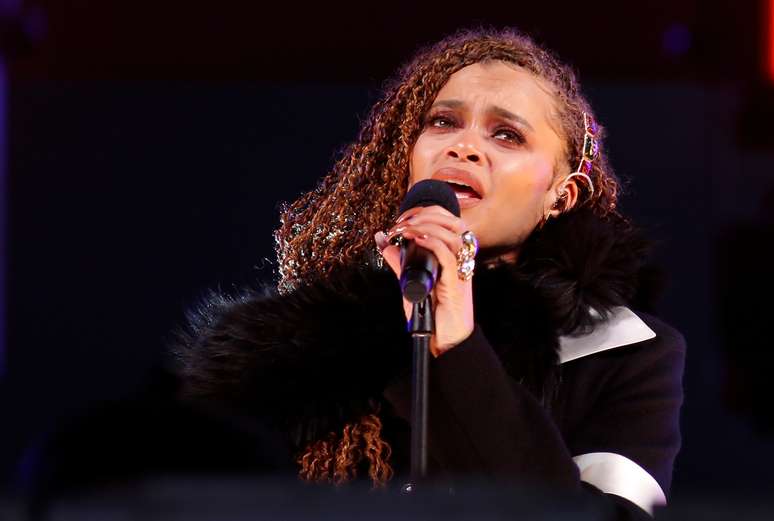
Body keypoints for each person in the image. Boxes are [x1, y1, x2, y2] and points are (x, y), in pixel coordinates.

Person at [172, 28, 685, 519]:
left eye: (507, 135)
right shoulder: (300, 348)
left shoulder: (623, 350)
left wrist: (458, 346)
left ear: (561, 195)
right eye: (442, 122)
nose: (462, 147)